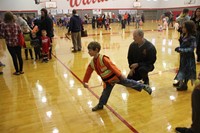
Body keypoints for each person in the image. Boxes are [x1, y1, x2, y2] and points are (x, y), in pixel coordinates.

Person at [82, 41, 152, 111]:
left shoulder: (103, 59)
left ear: (96, 50)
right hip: (108, 82)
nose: (88, 52)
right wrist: (85, 81)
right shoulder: (92, 63)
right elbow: (88, 72)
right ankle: (100, 105)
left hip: (116, 78)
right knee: (105, 93)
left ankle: (144, 86)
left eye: (90, 50)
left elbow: (112, 67)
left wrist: (120, 76)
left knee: (129, 83)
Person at [174, 20, 196, 91]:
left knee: (187, 71)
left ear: (188, 28)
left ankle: (184, 85)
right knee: (182, 69)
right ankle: (180, 81)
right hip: (183, 57)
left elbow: (191, 49)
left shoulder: (192, 38)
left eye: (184, 27)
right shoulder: (183, 35)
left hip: (189, 58)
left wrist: (181, 50)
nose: (182, 29)